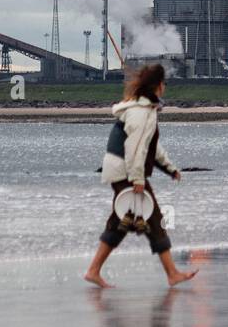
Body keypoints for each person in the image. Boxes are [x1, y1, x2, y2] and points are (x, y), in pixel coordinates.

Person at [83, 63, 198, 288]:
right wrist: (137, 179)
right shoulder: (141, 113)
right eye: (163, 83)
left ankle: (94, 270)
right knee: (152, 218)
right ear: (157, 86)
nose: (165, 87)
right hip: (124, 172)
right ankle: (172, 274)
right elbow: (135, 148)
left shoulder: (146, 111)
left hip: (124, 170)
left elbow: (151, 147)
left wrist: (170, 168)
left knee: (122, 220)